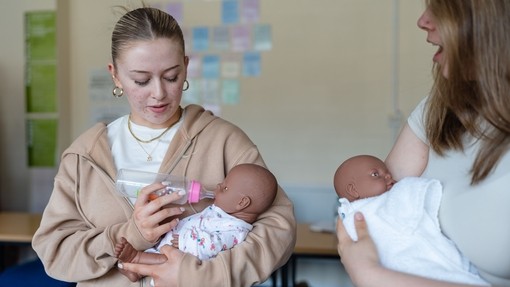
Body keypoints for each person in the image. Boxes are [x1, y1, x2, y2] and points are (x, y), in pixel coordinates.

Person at [31, 6, 296, 287]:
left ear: (185, 66)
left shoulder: (224, 141)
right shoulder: (84, 156)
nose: (158, 93)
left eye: (171, 76)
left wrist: (203, 276)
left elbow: (279, 230)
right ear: (115, 75)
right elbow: (55, 251)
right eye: (141, 80)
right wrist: (130, 234)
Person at [336, 1, 510, 286]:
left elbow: (361, 246)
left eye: (441, 8)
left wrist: (370, 274)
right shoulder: (440, 106)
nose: (422, 21)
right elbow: (368, 211)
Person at [334, 155, 489, 286]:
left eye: (387, 172)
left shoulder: (387, 201)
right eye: (376, 174)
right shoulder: (357, 216)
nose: (388, 176)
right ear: (353, 190)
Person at [115, 163, 278, 283]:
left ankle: (136, 258)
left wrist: (185, 241)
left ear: (242, 203)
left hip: (184, 257)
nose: (218, 186)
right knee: (158, 253)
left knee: (164, 260)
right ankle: (134, 270)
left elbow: (209, 247)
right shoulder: (224, 213)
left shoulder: (235, 230)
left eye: (225, 188)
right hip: (173, 243)